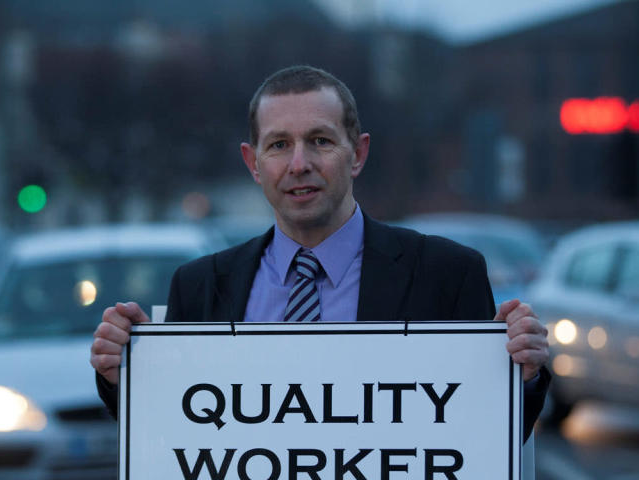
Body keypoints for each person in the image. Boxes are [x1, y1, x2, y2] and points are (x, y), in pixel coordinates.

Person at [90, 64, 550, 436]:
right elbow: (174, 437)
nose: (299, 164)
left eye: (320, 141)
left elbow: (491, 437)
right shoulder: (199, 286)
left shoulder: (447, 274)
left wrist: (521, 377)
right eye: (279, 145)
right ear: (254, 162)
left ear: (358, 154)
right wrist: (125, 374)